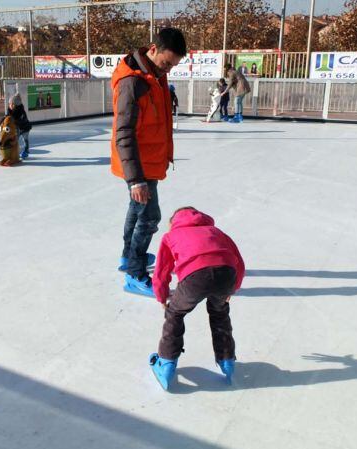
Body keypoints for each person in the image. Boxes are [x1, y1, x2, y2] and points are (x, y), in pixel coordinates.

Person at [111, 27, 187, 297]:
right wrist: (136, 180)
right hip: (138, 165)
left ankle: (127, 258)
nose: (169, 69)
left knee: (136, 210)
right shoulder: (133, 82)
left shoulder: (155, 74)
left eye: (173, 65)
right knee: (150, 215)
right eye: (167, 62)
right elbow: (124, 133)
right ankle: (134, 274)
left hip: (150, 160)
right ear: (153, 49)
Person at [149, 206, 245, 390]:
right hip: (227, 274)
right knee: (219, 312)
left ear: (173, 223)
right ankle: (227, 360)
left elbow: (161, 270)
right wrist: (232, 289)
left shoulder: (170, 236)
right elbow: (238, 260)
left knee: (175, 313)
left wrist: (161, 296)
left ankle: (167, 362)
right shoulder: (215, 231)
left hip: (195, 277)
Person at [8, 92, 32, 159]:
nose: (11, 106)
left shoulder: (21, 112)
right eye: (10, 104)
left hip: (24, 127)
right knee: (15, 139)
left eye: (13, 104)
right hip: (17, 128)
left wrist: (15, 122)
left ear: (17, 105)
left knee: (25, 140)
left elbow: (21, 120)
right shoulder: (9, 111)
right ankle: (13, 151)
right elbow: (7, 118)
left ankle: (26, 151)